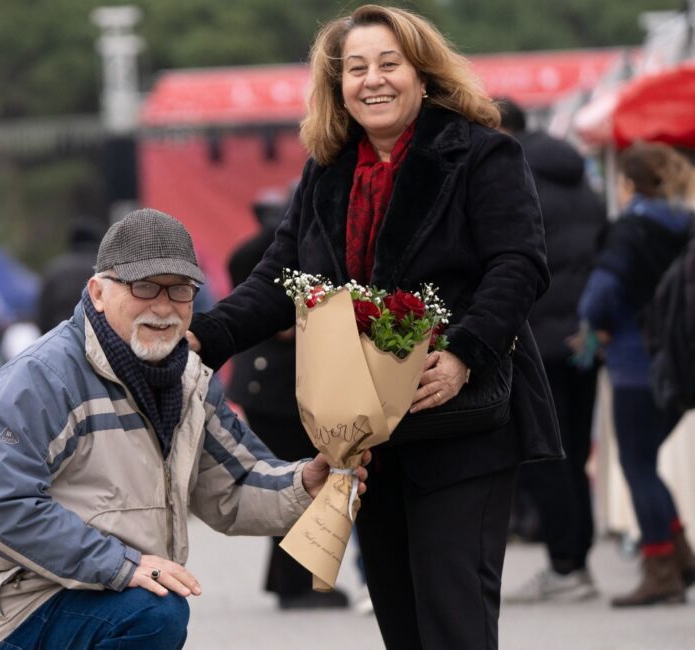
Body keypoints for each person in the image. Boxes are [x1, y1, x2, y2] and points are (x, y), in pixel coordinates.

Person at [185, 6, 561, 648]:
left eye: (390, 63)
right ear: (337, 85)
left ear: (422, 74)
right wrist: (205, 337)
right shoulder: (327, 169)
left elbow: (518, 264)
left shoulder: (481, 152)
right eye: (355, 68)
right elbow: (280, 276)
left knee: (454, 621)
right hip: (368, 440)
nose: (373, 80)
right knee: (401, 622)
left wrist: (465, 352)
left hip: (462, 419)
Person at [0, 208, 369, 650]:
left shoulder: (190, 380)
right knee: (155, 614)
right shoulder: (41, 379)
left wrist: (305, 484)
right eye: (145, 287)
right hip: (21, 606)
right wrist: (121, 565)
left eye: (181, 290)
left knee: (153, 609)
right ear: (97, 292)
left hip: (113, 592)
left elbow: (236, 485)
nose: (164, 307)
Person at [495, 98, 609, 603]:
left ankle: (564, 562)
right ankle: (576, 563)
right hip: (582, 339)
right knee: (576, 449)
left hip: (538, 339)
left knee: (545, 452)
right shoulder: (582, 182)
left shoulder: (513, 179)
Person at [579, 142, 695, 607]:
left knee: (637, 466)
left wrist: (594, 331)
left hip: (633, 362)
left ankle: (660, 565)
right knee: (648, 461)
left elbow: (597, 297)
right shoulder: (686, 225)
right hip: (680, 362)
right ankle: (680, 554)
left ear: (627, 184)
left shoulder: (629, 230)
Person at [227, 188, 350, 610]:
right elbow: (242, 265)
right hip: (275, 385)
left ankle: (288, 581)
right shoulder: (290, 235)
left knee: (295, 478)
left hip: (277, 385)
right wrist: (282, 316)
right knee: (298, 480)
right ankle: (295, 584)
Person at [36, 219, 103, 333]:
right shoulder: (105, 270)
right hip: (99, 338)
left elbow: (43, 315)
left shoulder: (54, 271)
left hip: (60, 338)